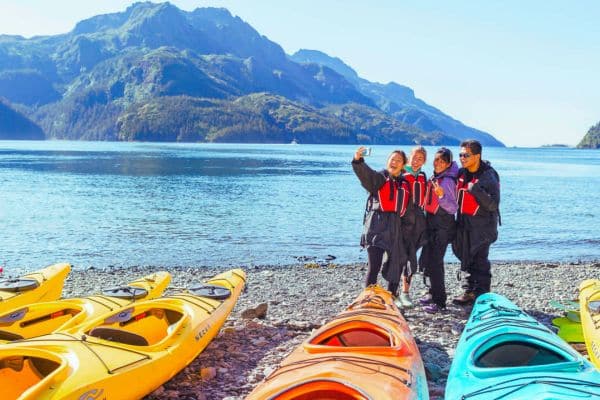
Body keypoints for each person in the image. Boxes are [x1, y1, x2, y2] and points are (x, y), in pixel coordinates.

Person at [352, 146, 409, 299]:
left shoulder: (405, 184)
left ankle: (392, 298)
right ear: (387, 161)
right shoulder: (379, 179)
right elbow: (366, 175)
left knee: (396, 265)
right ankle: (368, 298)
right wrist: (358, 160)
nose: (395, 162)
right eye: (392, 159)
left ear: (403, 165)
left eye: (398, 160)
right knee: (374, 266)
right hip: (376, 226)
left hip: (396, 227)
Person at [452, 139, 500, 305]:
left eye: (466, 155)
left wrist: (476, 190)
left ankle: (482, 295)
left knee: (480, 260)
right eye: (460, 154)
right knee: (466, 257)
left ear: (477, 156)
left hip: (483, 226)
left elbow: (494, 204)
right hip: (464, 223)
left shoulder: (489, 176)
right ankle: (469, 291)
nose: (462, 158)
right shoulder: (462, 173)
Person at [418, 147, 458, 313]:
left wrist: (441, 195)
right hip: (431, 223)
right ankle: (431, 292)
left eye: (442, 161)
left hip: (443, 225)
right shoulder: (436, 177)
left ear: (448, 164)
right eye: (436, 160)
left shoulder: (447, 181)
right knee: (426, 259)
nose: (438, 163)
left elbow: (453, 208)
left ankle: (440, 301)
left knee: (435, 262)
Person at [398, 146, 428, 308]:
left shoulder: (423, 176)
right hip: (403, 221)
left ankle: (405, 292)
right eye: (415, 157)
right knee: (399, 257)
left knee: (411, 257)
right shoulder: (401, 174)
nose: (417, 161)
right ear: (409, 157)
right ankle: (393, 292)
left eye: (421, 159)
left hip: (419, 222)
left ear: (424, 161)